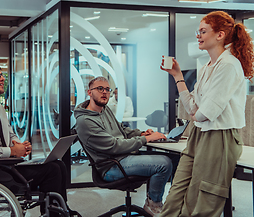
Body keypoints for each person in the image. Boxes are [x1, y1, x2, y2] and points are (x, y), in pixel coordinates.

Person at [160, 11, 254, 217]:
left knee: (202, 201)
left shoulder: (229, 65)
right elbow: (193, 109)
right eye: (198, 31)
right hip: (199, 133)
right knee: (177, 193)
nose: (198, 35)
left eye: (203, 31)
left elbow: (206, 113)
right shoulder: (205, 68)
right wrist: (177, 76)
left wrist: (198, 113)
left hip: (220, 136)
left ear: (220, 35)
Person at [0, 63, 80, 217]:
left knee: (58, 164)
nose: (2, 78)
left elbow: (10, 134)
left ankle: (58, 209)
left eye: (2, 75)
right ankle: (55, 213)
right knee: (52, 170)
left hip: (4, 164)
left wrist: (18, 144)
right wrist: (11, 151)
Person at [74, 76, 173, 217]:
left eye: (107, 89)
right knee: (163, 164)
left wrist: (141, 133)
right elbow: (114, 146)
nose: (104, 92)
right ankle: (153, 205)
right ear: (89, 92)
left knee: (172, 158)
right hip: (111, 166)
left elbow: (122, 130)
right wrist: (146, 139)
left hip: (125, 157)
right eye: (100, 89)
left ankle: (171, 203)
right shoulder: (85, 121)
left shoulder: (104, 109)